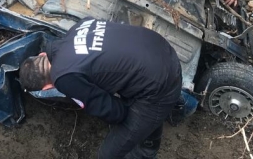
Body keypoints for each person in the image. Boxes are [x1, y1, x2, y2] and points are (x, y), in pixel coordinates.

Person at [19, 18, 182, 159]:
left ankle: (145, 153)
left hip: (161, 86)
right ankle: (148, 141)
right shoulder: (77, 28)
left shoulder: (64, 78)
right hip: (160, 49)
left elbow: (115, 112)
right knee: (142, 117)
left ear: (47, 87)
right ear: (41, 56)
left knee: (108, 154)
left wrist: (125, 119)